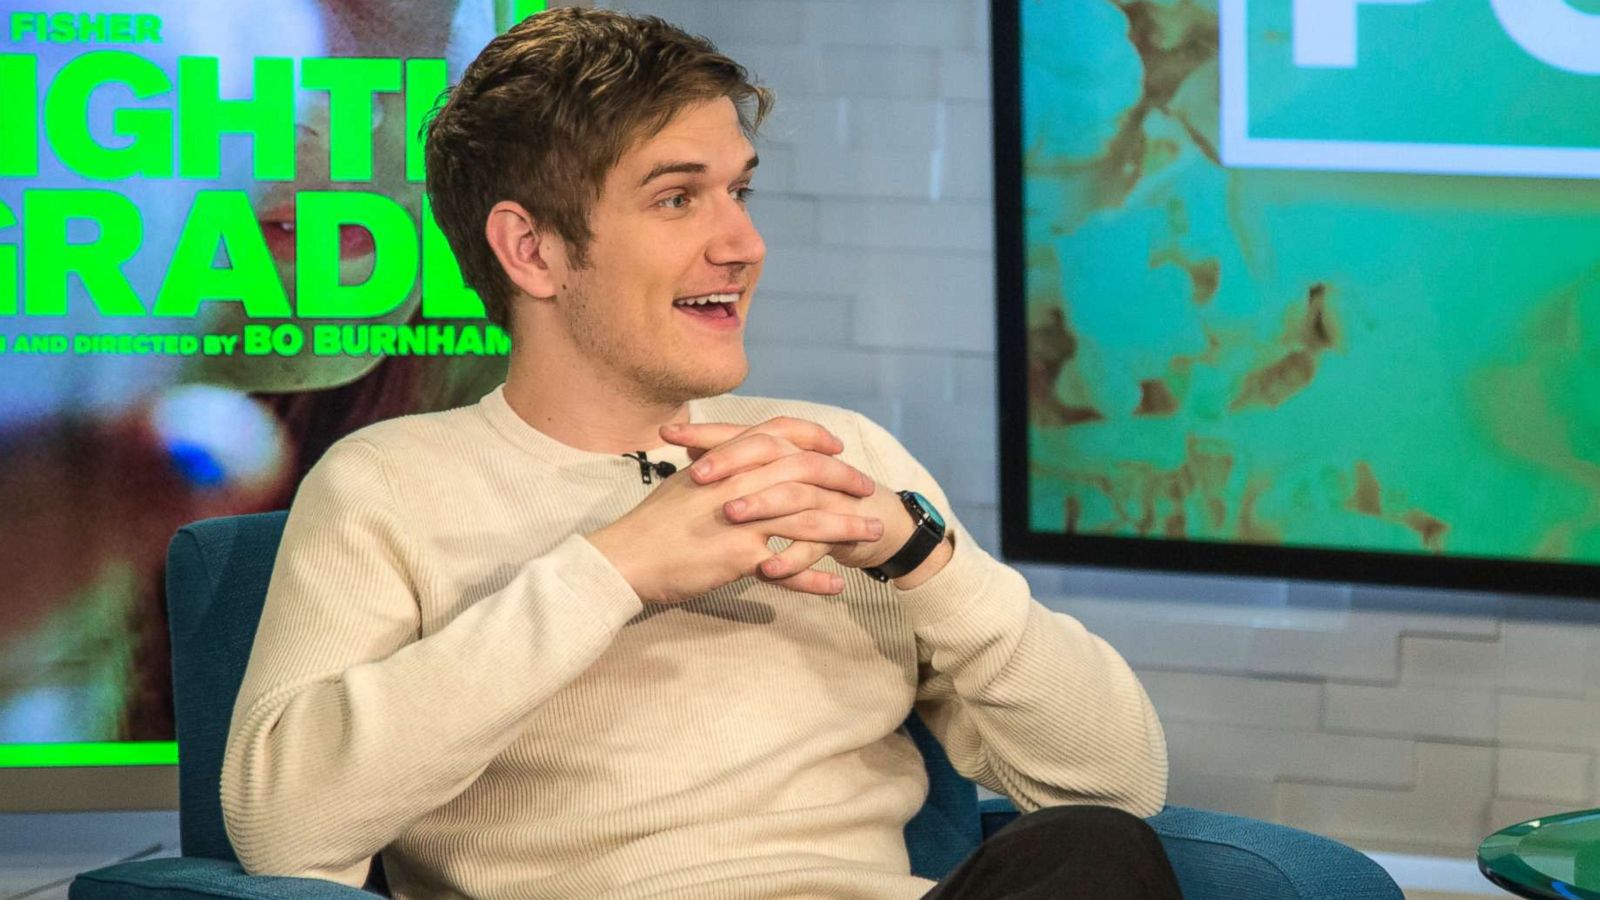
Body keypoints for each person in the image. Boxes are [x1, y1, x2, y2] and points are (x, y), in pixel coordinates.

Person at [220, 8, 1179, 899]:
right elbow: (285, 832)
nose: (745, 243)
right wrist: (616, 570)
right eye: (678, 198)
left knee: (1092, 853)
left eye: (740, 191)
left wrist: (923, 556)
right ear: (532, 250)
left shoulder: (841, 456)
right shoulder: (388, 482)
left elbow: (1117, 783)